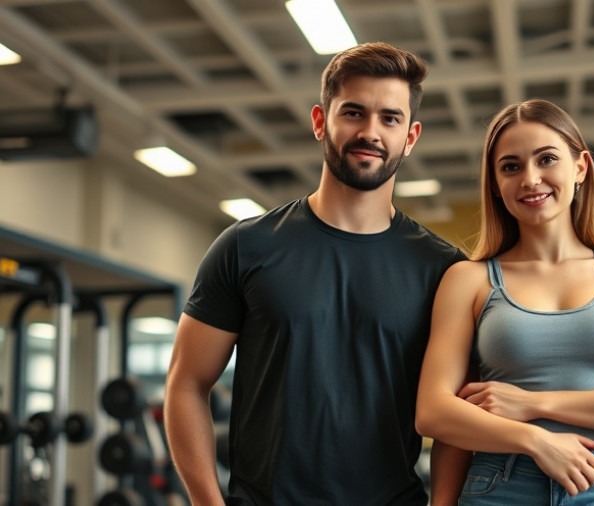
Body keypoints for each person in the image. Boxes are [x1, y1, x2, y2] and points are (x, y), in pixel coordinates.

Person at [164, 42, 468, 505]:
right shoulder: (245, 247)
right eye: (353, 113)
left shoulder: (444, 269)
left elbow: (456, 414)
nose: (371, 131)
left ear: (411, 137)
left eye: (390, 118)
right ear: (320, 122)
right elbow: (186, 384)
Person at [416, 99, 594, 504]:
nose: (530, 179)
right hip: (500, 485)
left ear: (580, 167)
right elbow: (434, 412)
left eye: (546, 159)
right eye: (510, 167)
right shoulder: (468, 280)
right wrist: (534, 440)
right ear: (494, 183)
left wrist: (532, 403)